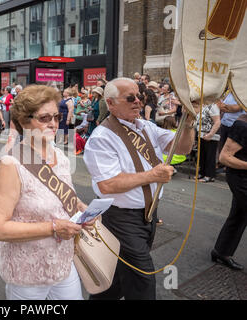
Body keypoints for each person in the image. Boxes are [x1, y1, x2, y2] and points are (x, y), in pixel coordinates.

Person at [83, 78, 196, 300]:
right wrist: (153, 175)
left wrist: (189, 122)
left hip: (149, 215)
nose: (137, 101)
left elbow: (182, 147)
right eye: (130, 98)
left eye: (139, 96)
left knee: (116, 275)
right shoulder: (102, 137)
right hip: (121, 218)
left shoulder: (145, 126)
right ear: (111, 103)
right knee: (142, 278)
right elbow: (107, 185)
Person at [0, 84, 96, 300]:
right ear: (24, 121)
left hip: (64, 262)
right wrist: (53, 227)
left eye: (56, 117)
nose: (53, 124)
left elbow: (62, 197)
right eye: (44, 118)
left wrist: (83, 208)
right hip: (27, 272)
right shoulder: (11, 164)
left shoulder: (61, 157)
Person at [211, 114, 247, 271]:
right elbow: (224, 158)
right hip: (240, 178)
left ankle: (221, 252)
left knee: (239, 215)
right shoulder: (243, 124)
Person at [196, 103, 221, 183]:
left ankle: (210, 175)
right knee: (202, 155)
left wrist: (210, 134)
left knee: (209, 156)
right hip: (202, 134)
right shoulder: (202, 105)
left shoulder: (213, 106)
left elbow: (217, 122)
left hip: (211, 135)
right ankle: (202, 173)